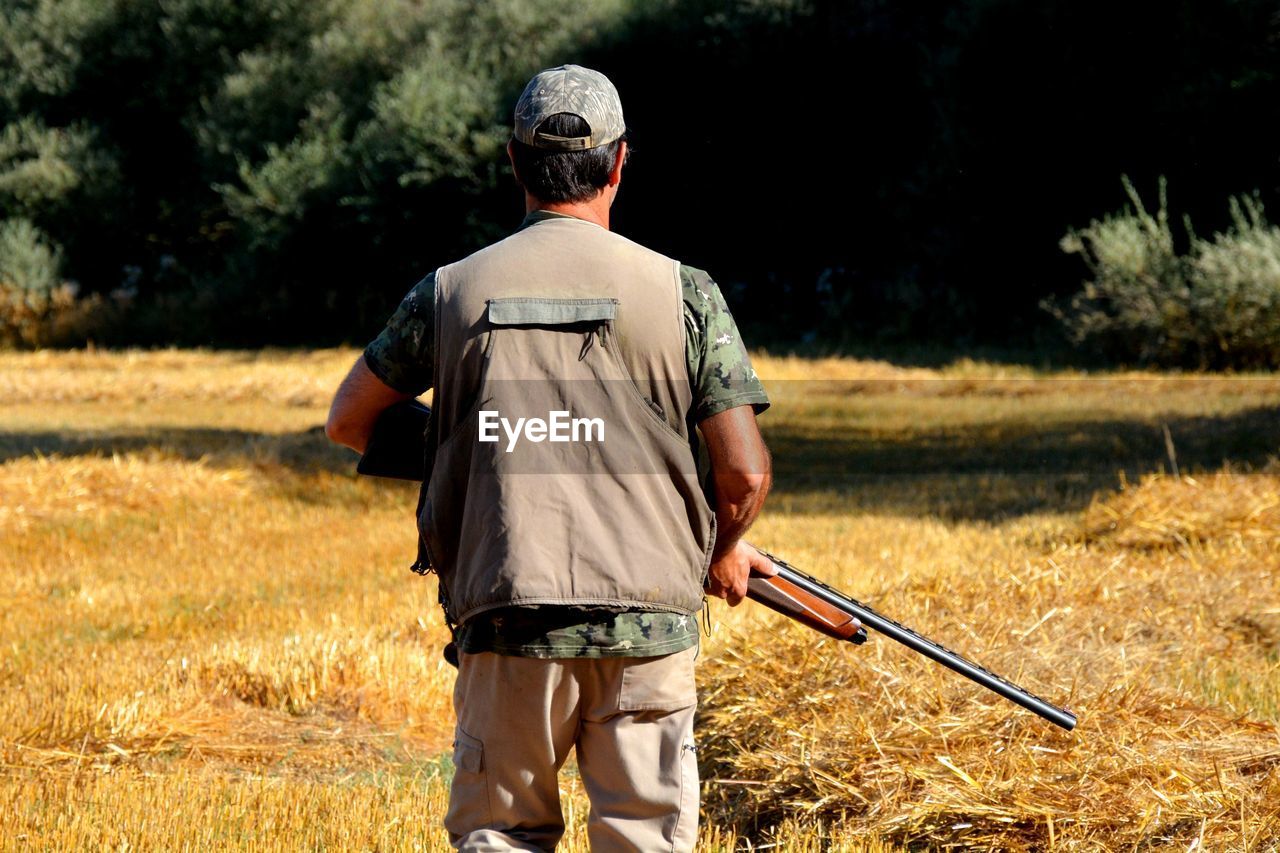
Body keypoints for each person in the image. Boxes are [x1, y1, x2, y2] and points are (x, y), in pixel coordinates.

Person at [326, 64, 773, 852]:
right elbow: (743, 473)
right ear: (621, 161)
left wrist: (474, 448)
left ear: (513, 163)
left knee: (500, 837)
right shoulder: (684, 292)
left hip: (506, 624)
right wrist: (721, 548)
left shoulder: (450, 291)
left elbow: (350, 420)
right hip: (646, 632)